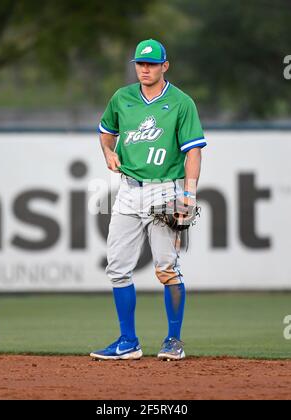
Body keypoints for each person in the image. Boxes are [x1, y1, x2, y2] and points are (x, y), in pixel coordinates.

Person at [90, 39, 207, 361]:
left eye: (152, 64)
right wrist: (108, 152)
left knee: (166, 268)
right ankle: (128, 341)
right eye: (140, 63)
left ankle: (173, 340)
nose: (145, 69)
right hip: (128, 190)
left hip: (164, 189)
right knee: (117, 268)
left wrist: (188, 193)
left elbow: (193, 151)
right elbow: (105, 131)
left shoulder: (181, 102)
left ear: (164, 66)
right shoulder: (122, 97)